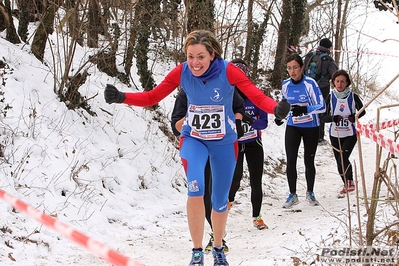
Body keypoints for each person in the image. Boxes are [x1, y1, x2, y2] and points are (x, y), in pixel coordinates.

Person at [104, 30, 291, 266]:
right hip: (194, 140)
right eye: (190, 56)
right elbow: (153, 97)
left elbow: (256, 96)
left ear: (212, 54)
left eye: (200, 56)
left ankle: (219, 248)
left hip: (224, 143)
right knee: (196, 189)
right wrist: (122, 97)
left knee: (220, 199)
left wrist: (276, 108)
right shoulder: (182, 72)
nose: (194, 62)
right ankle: (196, 251)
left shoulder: (228, 70)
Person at [171, 88, 246, 253]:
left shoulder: (224, 87)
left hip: (221, 146)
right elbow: (175, 126)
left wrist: (238, 121)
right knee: (200, 192)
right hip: (198, 147)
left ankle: (218, 240)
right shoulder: (186, 93)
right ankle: (214, 236)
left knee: (219, 194)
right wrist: (191, 117)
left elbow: (240, 107)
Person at [275, 53, 326, 209]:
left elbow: (322, 106)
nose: (292, 71)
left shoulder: (310, 84)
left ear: (302, 67)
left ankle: (310, 192)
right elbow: (285, 104)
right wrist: (280, 115)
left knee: (308, 161)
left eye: (295, 67)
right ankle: (293, 194)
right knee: (291, 161)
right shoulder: (285, 84)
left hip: (311, 127)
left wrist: (305, 109)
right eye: (289, 68)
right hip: (293, 126)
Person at [227, 59, 269, 230]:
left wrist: (249, 119)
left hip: (253, 143)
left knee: (256, 180)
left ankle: (257, 217)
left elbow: (264, 123)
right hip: (235, 144)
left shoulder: (255, 95)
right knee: (234, 179)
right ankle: (225, 208)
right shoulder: (226, 96)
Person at [320, 69, 366, 194]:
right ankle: (345, 183)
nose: (340, 84)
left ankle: (350, 181)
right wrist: (333, 118)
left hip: (350, 133)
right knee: (339, 160)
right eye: (337, 81)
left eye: (342, 82)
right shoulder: (330, 97)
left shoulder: (353, 96)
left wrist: (354, 116)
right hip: (335, 134)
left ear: (347, 83)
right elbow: (322, 117)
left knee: (343, 157)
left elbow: (363, 111)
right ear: (333, 82)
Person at [304, 38, 338, 143]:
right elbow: (335, 75)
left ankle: (305, 133)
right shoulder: (328, 59)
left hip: (308, 86)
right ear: (328, 47)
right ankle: (319, 137)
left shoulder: (309, 55)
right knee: (321, 110)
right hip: (322, 88)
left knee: (308, 108)